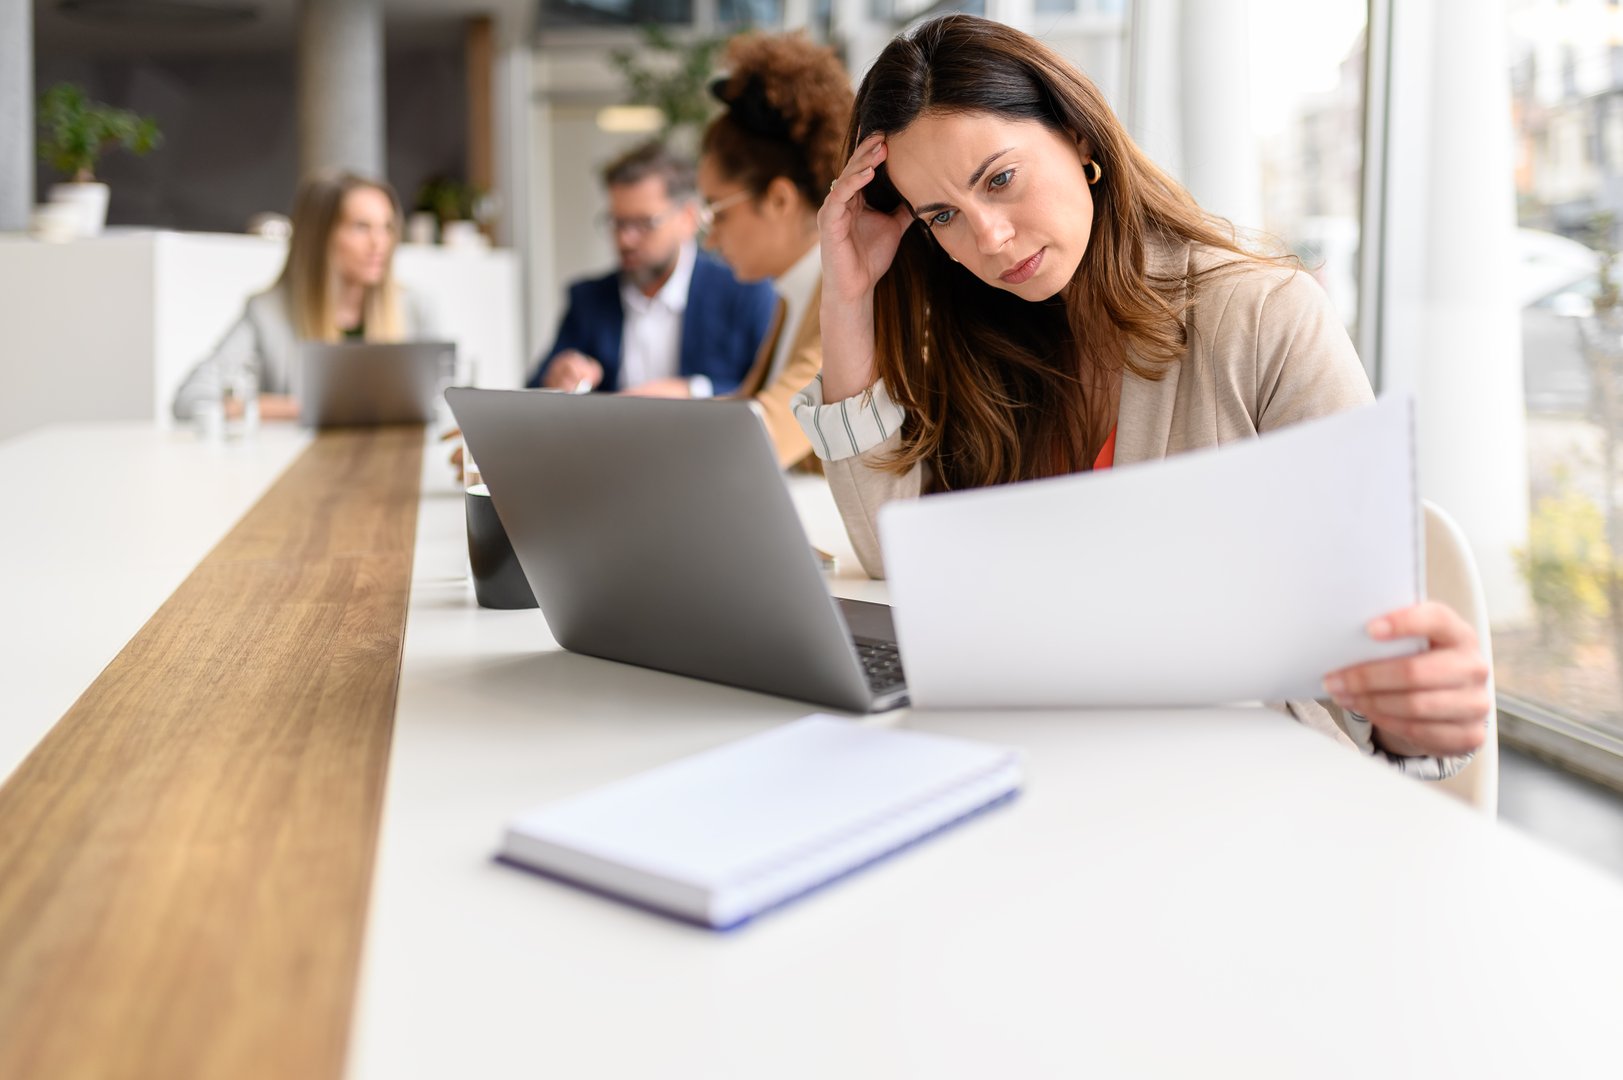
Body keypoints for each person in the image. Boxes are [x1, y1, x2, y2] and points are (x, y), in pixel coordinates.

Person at [795, 15, 1489, 776]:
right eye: (943, 217)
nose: (986, 239)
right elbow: (891, 554)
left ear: (1080, 140)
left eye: (999, 179)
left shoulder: (1264, 318)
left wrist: (1415, 718)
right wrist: (848, 298)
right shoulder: (988, 345)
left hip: (1230, 791)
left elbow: (1370, 664)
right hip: (1048, 769)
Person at [696, 31, 852, 467]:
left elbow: (762, 437)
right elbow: (747, 409)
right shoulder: (794, 296)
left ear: (780, 199)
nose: (710, 239)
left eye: (718, 212)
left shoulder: (852, 295)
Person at [173, 170, 433, 422]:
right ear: (320, 236)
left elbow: (442, 403)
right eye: (361, 227)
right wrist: (300, 409)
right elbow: (190, 399)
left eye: (387, 227)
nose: (379, 243)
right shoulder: (268, 313)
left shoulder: (413, 307)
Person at [528, 141, 776, 398]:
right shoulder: (589, 300)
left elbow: (771, 393)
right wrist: (557, 376)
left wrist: (691, 391)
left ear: (688, 218)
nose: (626, 239)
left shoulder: (743, 292)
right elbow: (532, 393)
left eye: (644, 223)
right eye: (617, 222)